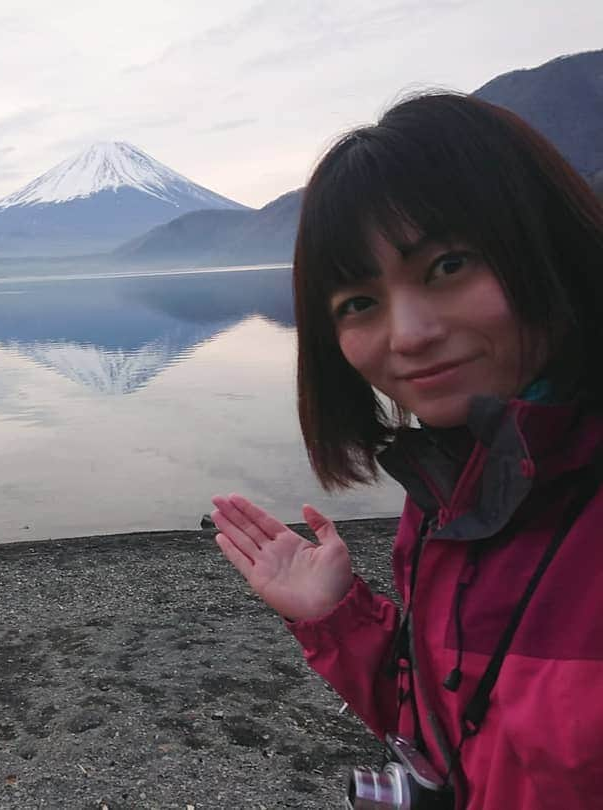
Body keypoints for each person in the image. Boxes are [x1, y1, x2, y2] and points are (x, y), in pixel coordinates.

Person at [209, 92, 603, 810]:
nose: (410, 334)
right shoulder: (448, 501)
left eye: (448, 265)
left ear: (545, 241)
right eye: (358, 303)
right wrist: (335, 616)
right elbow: (457, 726)